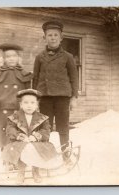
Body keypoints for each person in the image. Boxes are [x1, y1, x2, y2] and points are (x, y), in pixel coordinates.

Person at [32, 21, 79, 161]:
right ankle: (43, 156)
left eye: (55, 35)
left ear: (61, 38)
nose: (52, 37)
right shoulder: (40, 57)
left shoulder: (68, 57)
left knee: (63, 128)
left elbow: (74, 78)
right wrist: (34, 98)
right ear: (44, 38)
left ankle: (66, 156)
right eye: (49, 35)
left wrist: (74, 97)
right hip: (44, 97)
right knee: (44, 128)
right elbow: (35, 78)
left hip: (62, 98)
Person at [2, 89, 58, 184]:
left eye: (32, 103)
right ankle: (21, 172)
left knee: (36, 149)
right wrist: (19, 135)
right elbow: (10, 129)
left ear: (36, 105)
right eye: (26, 102)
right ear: (21, 105)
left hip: (37, 143)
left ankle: (35, 171)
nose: (29, 105)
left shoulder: (43, 118)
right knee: (20, 148)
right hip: (20, 142)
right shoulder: (14, 117)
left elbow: (46, 130)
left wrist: (36, 136)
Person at [0, 43, 32, 148]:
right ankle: (6, 157)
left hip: (18, 109)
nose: (11, 59)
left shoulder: (25, 74)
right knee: (3, 136)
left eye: (14, 56)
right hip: (1, 109)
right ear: (3, 59)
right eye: (8, 57)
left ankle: (17, 159)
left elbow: (29, 93)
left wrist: (30, 107)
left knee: (17, 134)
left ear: (19, 58)